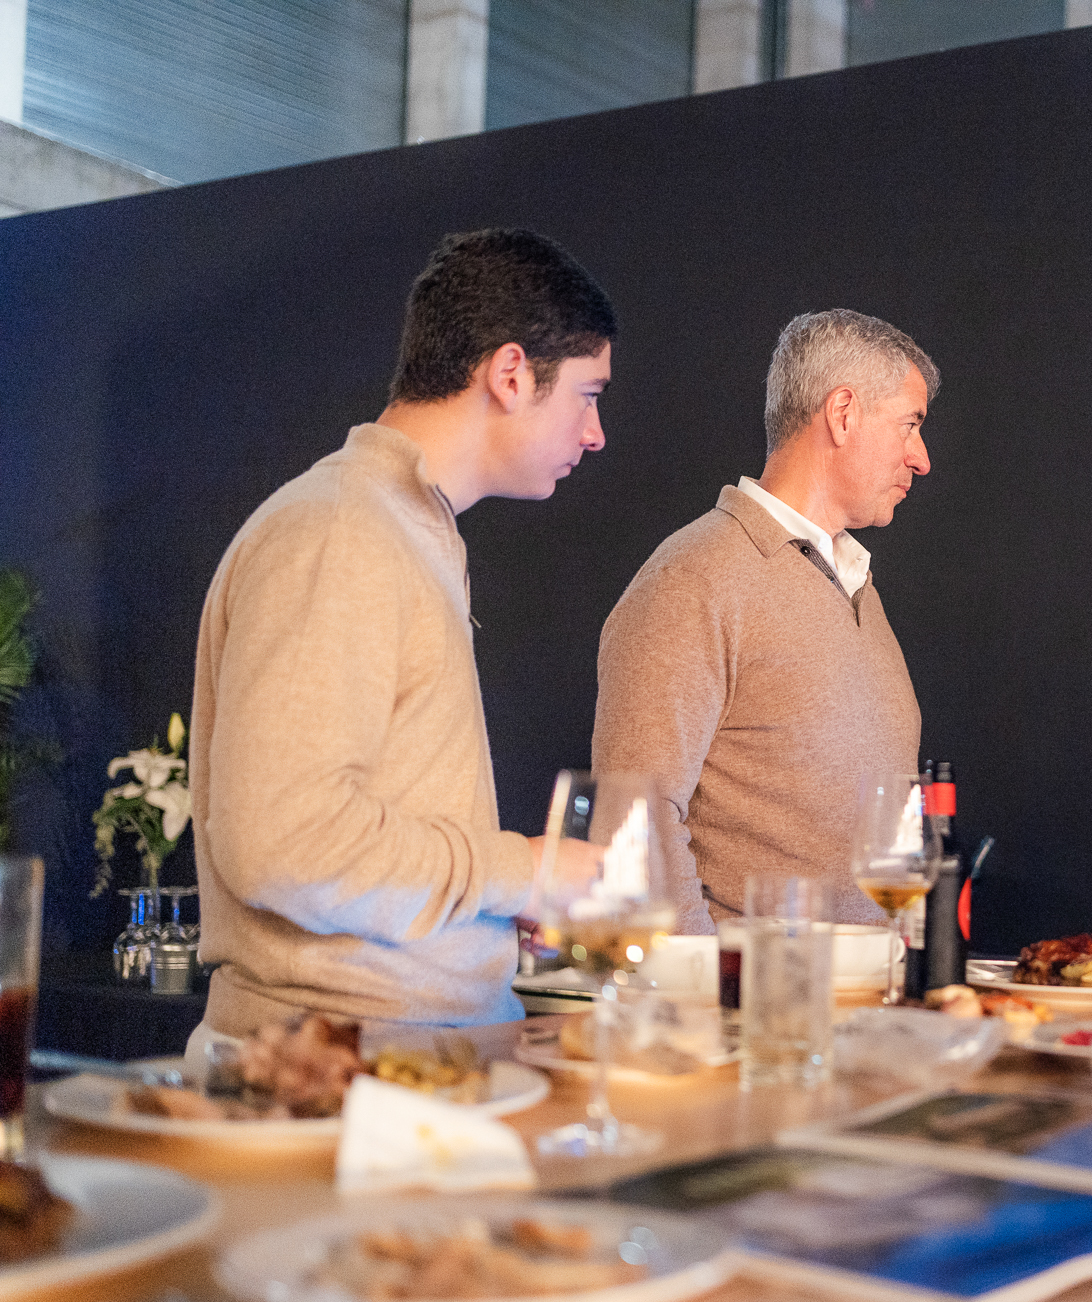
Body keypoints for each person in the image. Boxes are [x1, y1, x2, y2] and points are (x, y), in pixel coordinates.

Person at [190, 228, 616, 1037]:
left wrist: (484, 911)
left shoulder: (407, 529)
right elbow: (284, 841)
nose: (595, 433)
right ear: (512, 374)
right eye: (588, 395)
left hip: (415, 1066)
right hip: (338, 1081)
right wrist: (519, 873)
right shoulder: (341, 533)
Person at [593, 309, 936, 931]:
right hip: (751, 1018)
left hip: (868, 1011)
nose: (921, 458)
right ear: (843, 412)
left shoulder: (858, 585)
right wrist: (713, 995)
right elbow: (633, 822)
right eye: (910, 425)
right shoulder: (691, 579)